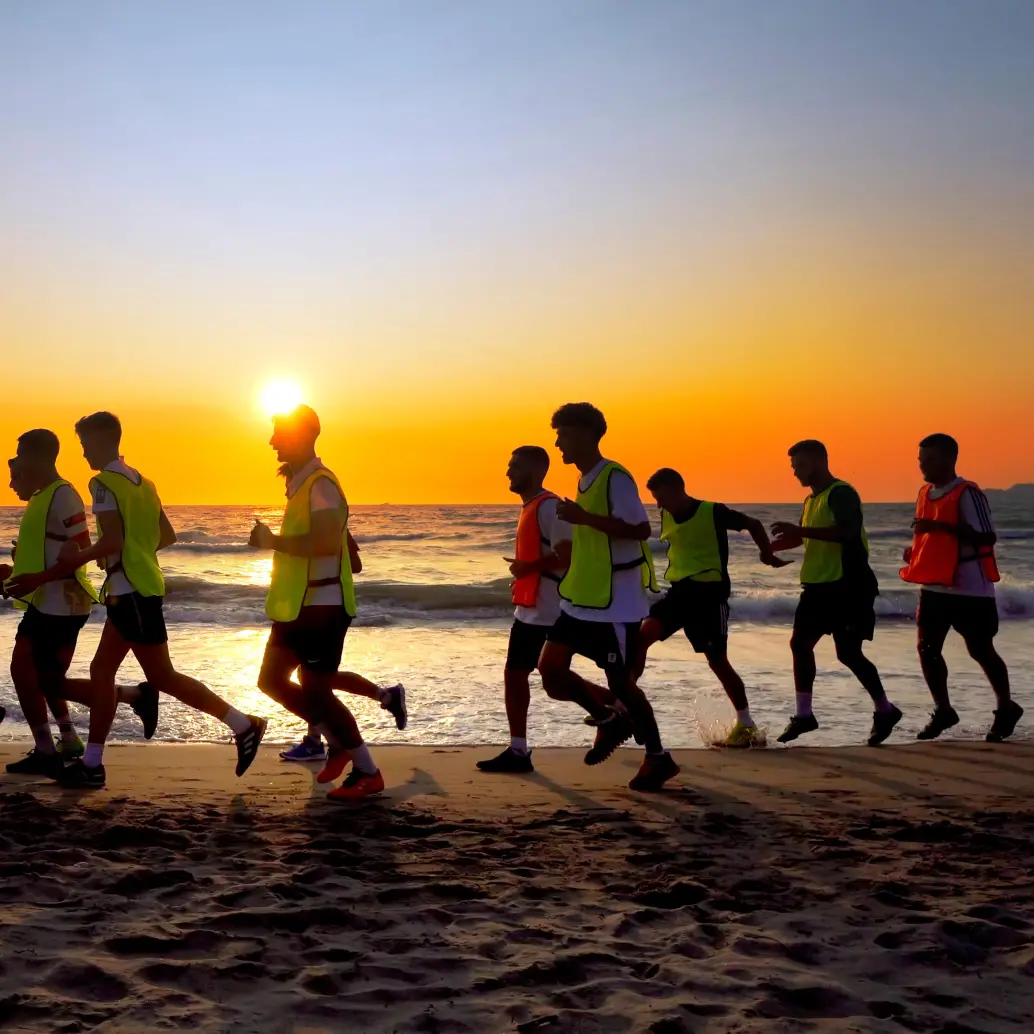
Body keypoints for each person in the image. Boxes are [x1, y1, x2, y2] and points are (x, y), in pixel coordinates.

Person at [19, 412, 267, 789]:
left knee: (161, 676)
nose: (83, 453)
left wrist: (83, 557)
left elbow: (113, 540)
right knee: (103, 672)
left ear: (103, 440)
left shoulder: (102, 483)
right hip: (139, 587)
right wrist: (126, 553)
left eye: (85, 444)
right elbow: (166, 535)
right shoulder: (144, 482)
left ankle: (242, 723)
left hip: (130, 591)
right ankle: (92, 764)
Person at [537, 402, 679, 792]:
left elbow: (640, 529)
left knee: (624, 686)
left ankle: (658, 757)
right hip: (581, 598)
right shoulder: (585, 480)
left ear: (587, 434)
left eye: (564, 435)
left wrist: (584, 519)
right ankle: (607, 718)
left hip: (615, 604)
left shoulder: (615, 477)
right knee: (550, 671)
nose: (558, 444)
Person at [250, 404, 384, 801]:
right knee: (271, 681)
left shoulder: (322, 484)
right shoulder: (302, 485)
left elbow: (325, 543)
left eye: (280, 433)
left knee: (318, 691)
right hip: (297, 607)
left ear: (307, 434)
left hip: (323, 607)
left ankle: (367, 770)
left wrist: (272, 541)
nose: (272, 441)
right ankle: (336, 741)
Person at [640, 467, 791, 747]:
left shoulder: (712, 511)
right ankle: (623, 705)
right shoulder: (666, 514)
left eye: (661, 498)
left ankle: (745, 724)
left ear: (676, 489)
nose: (659, 505)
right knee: (642, 637)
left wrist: (767, 553)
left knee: (717, 661)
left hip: (709, 596)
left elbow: (754, 523)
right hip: (679, 593)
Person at [770, 439, 901, 746]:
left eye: (800, 465)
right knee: (800, 644)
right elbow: (804, 537)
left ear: (818, 462)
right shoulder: (810, 500)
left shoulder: (841, 493)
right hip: (817, 586)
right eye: (793, 466)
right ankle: (804, 715)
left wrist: (800, 531)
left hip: (848, 586)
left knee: (849, 653)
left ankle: (884, 710)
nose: (795, 472)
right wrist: (772, 548)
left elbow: (847, 531)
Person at [900, 433, 1022, 742]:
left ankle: (1006, 708)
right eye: (921, 460)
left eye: (930, 459)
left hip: (970, 588)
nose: (923, 465)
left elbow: (987, 537)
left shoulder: (968, 493)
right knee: (927, 649)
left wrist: (937, 528)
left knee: (980, 649)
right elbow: (929, 535)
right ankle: (943, 710)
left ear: (950, 458)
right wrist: (915, 550)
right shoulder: (924, 493)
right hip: (934, 586)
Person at [1, 435, 96, 776]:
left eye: (21, 456)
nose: (17, 463)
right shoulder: (41, 497)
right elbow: (47, 551)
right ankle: (67, 739)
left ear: (37, 457)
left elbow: (82, 548)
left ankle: (46, 748)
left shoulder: (63, 494)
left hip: (64, 602)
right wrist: (16, 572)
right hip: (46, 600)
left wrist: (37, 578)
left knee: (27, 672)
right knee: (45, 676)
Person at [477, 446, 574, 774]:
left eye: (515, 466)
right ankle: (518, 750)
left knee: (554, 682)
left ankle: (615, 709)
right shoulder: (530, 507)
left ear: (535, 470)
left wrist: (527, 568)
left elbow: (567, 556)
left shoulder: (550, 508)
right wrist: (523, 576)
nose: (508, 471)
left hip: (553, 610)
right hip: (530, 609)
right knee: (515, 674)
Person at [278, 532, 407, 763]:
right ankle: (386, 696)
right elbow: (355, 565)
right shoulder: (333, 522)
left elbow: (353, 565)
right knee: (314, 677)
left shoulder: (326, 521)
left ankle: (318, 743)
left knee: (313, 678)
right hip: (321, 608)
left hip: (320, 610)